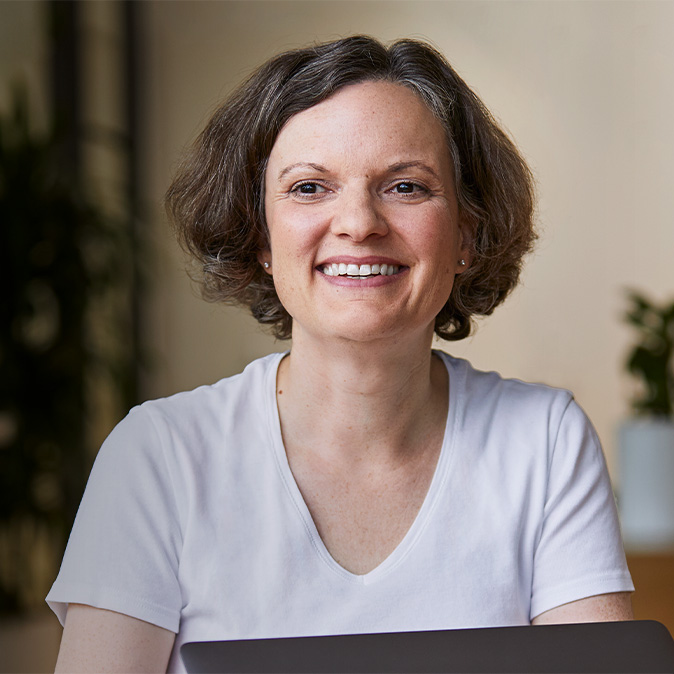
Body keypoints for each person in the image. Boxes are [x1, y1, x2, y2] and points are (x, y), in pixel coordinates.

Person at [47, 36, 634, 673]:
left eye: (407, 186)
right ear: (261, 238)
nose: (358, 222)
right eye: (308, 188)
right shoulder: (156, 458)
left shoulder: (544, 443)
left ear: (467, 234)